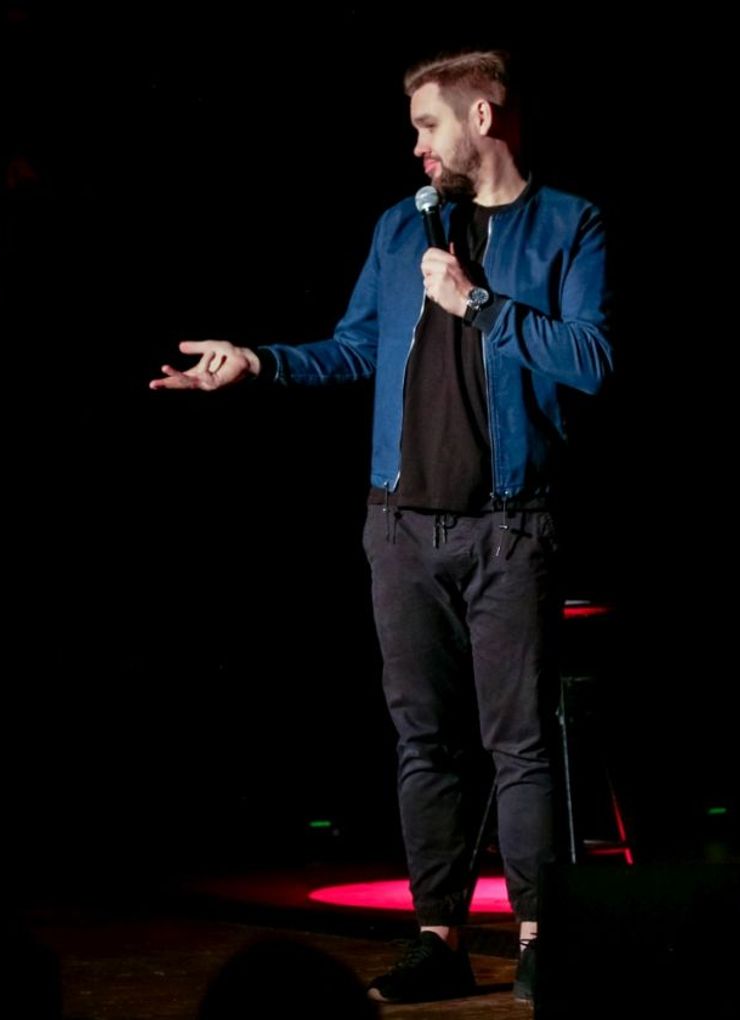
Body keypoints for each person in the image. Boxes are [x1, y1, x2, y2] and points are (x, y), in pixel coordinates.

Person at [150, 49, 613, 1004]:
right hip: (400, 527)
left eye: (428, 126)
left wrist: (478, 304)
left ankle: (540, 938)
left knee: (520, 743)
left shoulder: (570, 224)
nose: (417, 147)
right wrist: (261, 362)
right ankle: (437, 939)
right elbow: (356, 346)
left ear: (482, 118)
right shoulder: (402, 229)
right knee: (423, 742)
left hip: (510, 526)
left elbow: (592, 358)